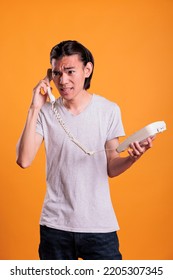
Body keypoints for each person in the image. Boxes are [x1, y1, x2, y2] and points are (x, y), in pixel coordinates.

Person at [16, 40, 154, 260]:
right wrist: (34, 107)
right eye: (57, 73)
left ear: (87, 70)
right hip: (55, 227)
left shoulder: (108, 110)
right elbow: (23, 160)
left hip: (99, 226)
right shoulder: (45, 113)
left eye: (70, 71)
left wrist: (133, 158)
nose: (63, 80)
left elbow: (111, 166)